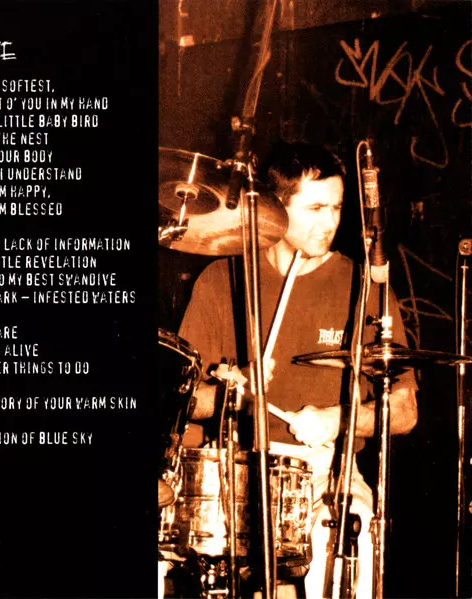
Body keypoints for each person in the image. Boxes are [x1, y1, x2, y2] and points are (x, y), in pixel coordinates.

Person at [177, 142, 418, 599]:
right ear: (274, 209)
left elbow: (405, 411)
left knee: (347, 537)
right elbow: (183, 399)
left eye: (337, 207)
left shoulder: (364, 289)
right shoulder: (222, 280)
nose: (330, 223)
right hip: (232, 469)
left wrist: (338, 420)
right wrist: (232, 393)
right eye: (315, 208)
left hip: (325, 473)